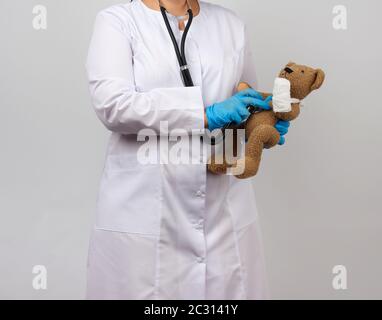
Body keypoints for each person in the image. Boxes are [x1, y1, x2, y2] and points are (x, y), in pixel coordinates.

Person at [85, 0, 289, 299]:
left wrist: (263, 121)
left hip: (223, 211)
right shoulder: (117, 21)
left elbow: (245, 97)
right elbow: (113, 106)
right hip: (145, 209)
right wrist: (205, 115)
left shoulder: (230, 24)